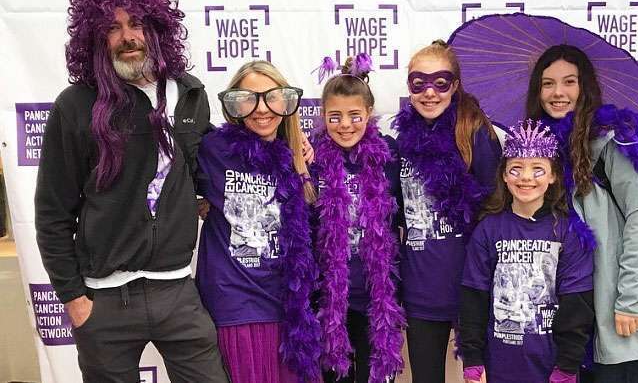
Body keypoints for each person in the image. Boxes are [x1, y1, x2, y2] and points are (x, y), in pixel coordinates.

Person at [34, 0, 229, 382]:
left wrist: (288, 141)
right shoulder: (76, 106)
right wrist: (74, 298)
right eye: (112, 27)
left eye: (136, 22)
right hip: (104, 301)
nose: (128, 37)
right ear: (95, 38)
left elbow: (208, 160)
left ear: (156, 26)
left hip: (178, 291)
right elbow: (52, 212)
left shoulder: (189, 92)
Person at [525, 44, 638, 383]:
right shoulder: (538, 152)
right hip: (565, 313)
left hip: (611, 306)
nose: (558, 92)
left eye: (569, 82)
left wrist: (629, 300)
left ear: (584, 87)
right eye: (548, 83)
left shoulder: (612, 142)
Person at [195, 60, 321, 383]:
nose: (261, 109)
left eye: (271, 97)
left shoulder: (300, 157)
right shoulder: (213, 149)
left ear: (286, 103)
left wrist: (299, 142)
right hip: (236, 307)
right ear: (235, 105)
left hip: (290, 311)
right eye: (249, 98)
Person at [391, 40, 502, 383]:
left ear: (454, 85)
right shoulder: (401, 142)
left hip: (470, 286)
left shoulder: (475, 134)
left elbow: (495, 211)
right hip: (420, 288)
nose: (429, 93)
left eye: (440, 83)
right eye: (418, 83)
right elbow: (392, 208)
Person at [459, 119, 594, 383]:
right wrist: (472, 359)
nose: (526, 177)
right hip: (498, 366)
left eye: (538, 169)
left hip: (550, 367)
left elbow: (577, 305)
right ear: (504, 175)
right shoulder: (488, 229)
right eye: (516, 168)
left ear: (553, 176)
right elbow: (473, 297)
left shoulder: (567, 232)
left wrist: (566, 366)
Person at [312, 54, 405, 383]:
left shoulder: (388, 156)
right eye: (335, 117)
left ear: (368, 114)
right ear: (324, 116)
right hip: (329, 297)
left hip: (376, 295)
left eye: (355, 115)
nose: (345, 125)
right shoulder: (313, 160)